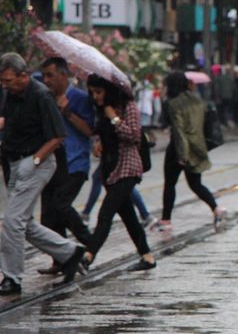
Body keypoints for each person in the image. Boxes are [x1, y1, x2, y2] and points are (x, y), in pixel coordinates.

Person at [0, 53, 85, 293]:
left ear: (23, 76)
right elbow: (8, 120)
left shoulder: (41, 96)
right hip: (14, 162)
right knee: (22, 223)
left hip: (37, 163)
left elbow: (58, 136)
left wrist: (35, 160)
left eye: (8, 80)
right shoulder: (12, 94)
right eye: (2, 81)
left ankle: (12, 277)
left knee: (12, 221)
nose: (4, 85)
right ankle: (70, 252)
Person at [80, 74, 156, 273]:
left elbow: (134, 135)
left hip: (127, 168)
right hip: (109, 170)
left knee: (105, 213)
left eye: (99, 92)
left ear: (109, 90)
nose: (96, 97)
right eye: (92, 93)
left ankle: (88, 256)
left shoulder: (127, 106)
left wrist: (113, 117)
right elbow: (100, 133)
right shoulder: (101, 110)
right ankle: (147, 257)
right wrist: (98, 142)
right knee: (129, 216)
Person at [38, 57, 95, 276]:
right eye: (44, 76)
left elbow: (89, 130)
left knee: (61, 205)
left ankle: (90, 243)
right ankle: (60, 259)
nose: (46, 80)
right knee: (48, 215)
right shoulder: (45, 97)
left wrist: (68, 112)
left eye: (50, 75)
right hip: (51, 162)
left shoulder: (79, 98)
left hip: (74, 162)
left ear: (63, 75)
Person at [151, 72, 226, 233]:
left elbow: (179, 131)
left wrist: (182, 155)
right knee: (196, 184)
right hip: (197, 147)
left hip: (178, 149)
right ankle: (216, 209)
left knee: (170, 184)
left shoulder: (173, 104)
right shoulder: (198, 100)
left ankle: (166, 220)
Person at [81, 163, 155, 227]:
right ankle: (146, 215)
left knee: (124, 182)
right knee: (124, 181)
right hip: (120, 155)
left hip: (117, 154)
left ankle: (86, 214)